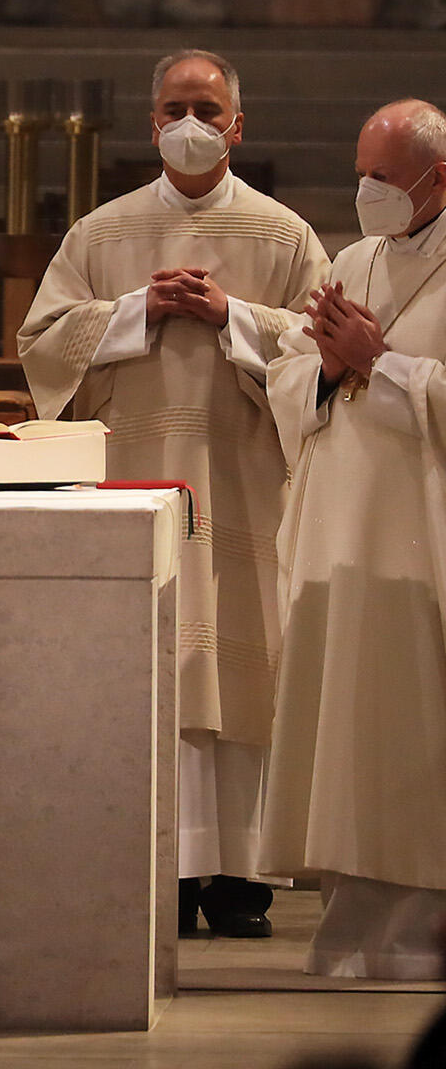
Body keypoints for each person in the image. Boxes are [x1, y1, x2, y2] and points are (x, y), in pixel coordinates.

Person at [16, 50, 330, 938]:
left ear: (238, 126)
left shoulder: (283, 237)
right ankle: (159, 873)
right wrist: (134, 312)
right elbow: (40, 343)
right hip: (135, 479)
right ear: (151, 123)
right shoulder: (100, 234)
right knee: (155, 667)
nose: (191, 122)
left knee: (237, 663)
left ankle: (238, 881)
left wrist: (233, 316)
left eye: (208, 108)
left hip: (243, 484)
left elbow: (326, 350)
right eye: (174, 107)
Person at [260, 98, 446, 980]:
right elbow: (291, 372)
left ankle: (423, 935)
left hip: (423, 542)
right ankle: (353, 931)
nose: (368, 192)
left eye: (385, 177)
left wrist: (384, 362)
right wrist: (331, 368)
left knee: (414, 723)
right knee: (347, 727)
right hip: (342, 533)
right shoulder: (355, 260)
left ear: (439, 178)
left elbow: (396, 370)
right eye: (361, 174)